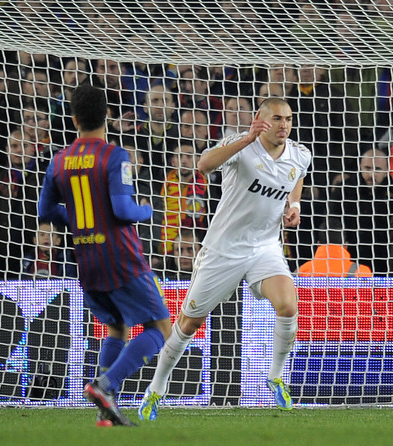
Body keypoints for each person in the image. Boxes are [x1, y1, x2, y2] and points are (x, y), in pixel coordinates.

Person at [138, 97, 311, 419]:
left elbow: (296, 176)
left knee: (288, 305)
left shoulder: (300, 154)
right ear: (261, 120)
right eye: (277, 118)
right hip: (223, 250)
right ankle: (156, 389)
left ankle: (275, 376)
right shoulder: (239, 145)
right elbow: (203, 166)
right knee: (189, 323)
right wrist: (246, 138)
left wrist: (294, 206)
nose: (284, 124)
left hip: (264, 247)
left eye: (288, 118)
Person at [39, 84, 171, 426]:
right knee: (160, 328)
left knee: (117, 327)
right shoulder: (115, 156)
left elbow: (45, 210)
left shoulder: (58, 160)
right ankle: (105, 384)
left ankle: (105, 411)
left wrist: (82, 220)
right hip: (120, 255)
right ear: (108, 115)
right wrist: (147, 210)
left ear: (74, 119)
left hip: (85, 257)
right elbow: (123, 209)